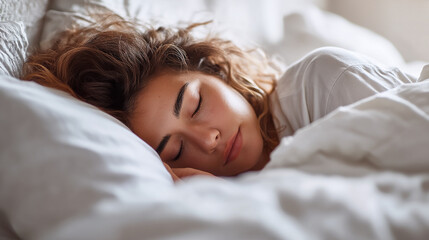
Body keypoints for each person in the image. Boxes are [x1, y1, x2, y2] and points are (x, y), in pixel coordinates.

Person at [22, 14, 416, 180]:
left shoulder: (320, 83)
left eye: (195, 104)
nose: (208, 139)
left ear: (217, 70)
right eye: (176, 150)